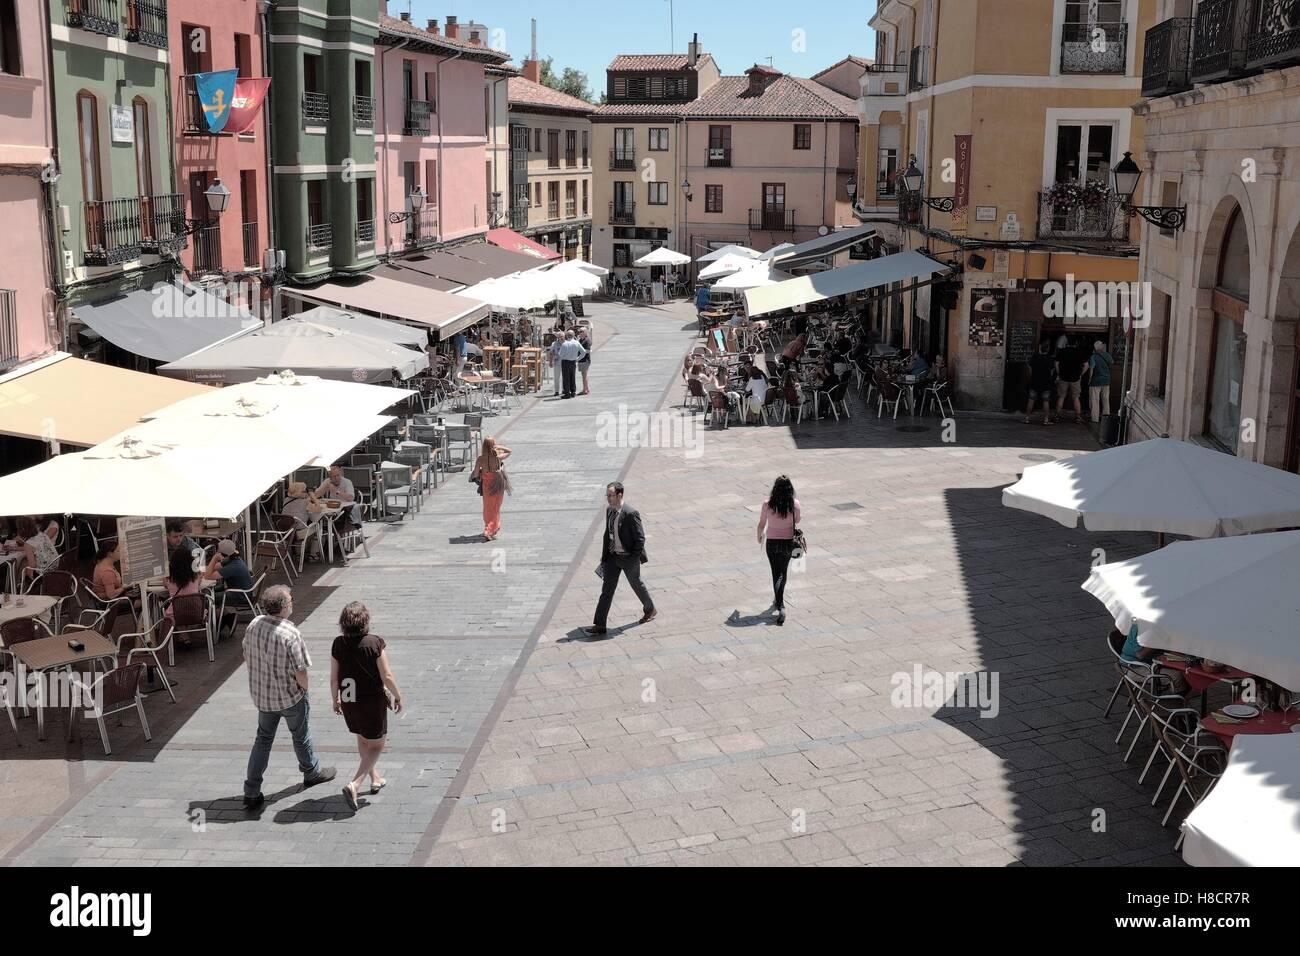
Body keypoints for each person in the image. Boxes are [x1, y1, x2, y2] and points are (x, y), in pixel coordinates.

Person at [241, 585, 336, 810]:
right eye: (290, 600)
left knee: (263, 740)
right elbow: (300, 670)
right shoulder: (290, 633)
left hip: (263, 697)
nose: (292, 603)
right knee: (300, 735)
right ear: (283, 607)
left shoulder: (254, 625)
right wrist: (305, 690)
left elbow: (246, 653)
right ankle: (311, 772)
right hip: (290, 697)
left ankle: (251, 790)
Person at [331, 601, 403, 811]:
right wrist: (398, 696)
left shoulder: (338, 643)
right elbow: (387, 675)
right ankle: (355, 784)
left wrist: (334, 698)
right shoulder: (374, 643)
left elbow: (333, 678)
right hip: (370, 699)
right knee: (377, 744)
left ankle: (376, 778)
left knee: (363, 738)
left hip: (349, 698)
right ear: (365, 622)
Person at [584, 482, 655, 637]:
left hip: (628, 558)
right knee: (607, 591)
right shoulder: (609, 510)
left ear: (620, 495)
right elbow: (607, 534)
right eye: (607, 495)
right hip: (613, 557)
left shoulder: (631, 513)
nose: (608, 498)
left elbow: (640, 538)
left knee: (636, 584)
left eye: (611, 495)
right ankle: (600, 624)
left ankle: (650, 609)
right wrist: (604, 557)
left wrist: (633, 557)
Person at [757, 476, 801, 625]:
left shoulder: (767, 504)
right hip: (787, 543)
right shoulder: (795, 505)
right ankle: (779, 602)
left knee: (776, 573)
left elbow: (761, 524)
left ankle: (780, 604)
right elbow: (798, 520)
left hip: (772, 543)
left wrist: (759, 536)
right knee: (783, 572)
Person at [470, 436, 512, 541]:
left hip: (486, 485)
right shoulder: (497, 457)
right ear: (493, 445)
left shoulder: (480, 459)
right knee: (496, 507)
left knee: (488, 508)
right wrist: (499, 447)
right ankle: (488, 530)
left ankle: (489, 529)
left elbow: (475, 473)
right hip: (498, 483)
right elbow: (509, 451)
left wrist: (478, 475)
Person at [282, 481, 324, 561]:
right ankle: (313, 555)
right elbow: (318, 510)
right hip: (298, 533)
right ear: (298, 492)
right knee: (318, 527)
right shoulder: (305, 502)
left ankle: (298, 555)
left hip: (285, 533)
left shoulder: (286, 500)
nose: (306, 493)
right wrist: (314, 498)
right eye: (305, 491)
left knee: (299, 527)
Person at [1025, 340, 1057, 426]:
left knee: (1031, 400)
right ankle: (1046, 420)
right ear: (1048, 349)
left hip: (1035, 381)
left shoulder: (1034, 357)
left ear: (1040, 348)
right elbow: (1052, 372)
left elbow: (1030, 369)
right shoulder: (1050, 359)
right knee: (1046, 401)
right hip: (1046, 383)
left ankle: (1027, 418)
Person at [1054, 334, 1085, 423]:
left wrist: (1059, 372)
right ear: (1076, 343)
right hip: (1075, 378)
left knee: (1061, 397)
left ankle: (1057, 416)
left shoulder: (1062, 351)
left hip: (1063, 377)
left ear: (1067, 343)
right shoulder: (1079, 352)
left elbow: (1056, 363)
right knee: (1076, 398)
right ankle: (1078, 417)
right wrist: (1080, 374)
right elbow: (1086, 365)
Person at [555, 329, 587, 399]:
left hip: (565, 361)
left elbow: (560, 354)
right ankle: (573, 392)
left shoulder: (564, 344)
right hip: (573, 361)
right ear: (574, 335)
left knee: (566, 378)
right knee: (572, 377)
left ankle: (567, 393)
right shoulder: (576, 343)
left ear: (566, 336)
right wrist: (577, 359)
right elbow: (584, 352)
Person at [1088, 341, 1113, 424]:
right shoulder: (1107, 355)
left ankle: (1095, 418)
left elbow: (1091, 369)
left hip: (1096, 381)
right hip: (1106, 381)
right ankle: (1106, 417)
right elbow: (1112, 362)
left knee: (1095, 400)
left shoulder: (1093, 357)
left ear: (1095, 348)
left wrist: (1089, 379)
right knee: (1105, 400)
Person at [576, 326, 593, 396]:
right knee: (583, 375)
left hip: (585, 360)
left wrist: (581, 350)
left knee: (584, 375)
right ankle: (586, 388)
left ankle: (585, 390)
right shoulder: (580, 340)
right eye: (579, 331)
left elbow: (588, 351)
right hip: (581, 360)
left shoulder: (587, 340)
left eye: (581, 331)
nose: (579, 333)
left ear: (585, 333)